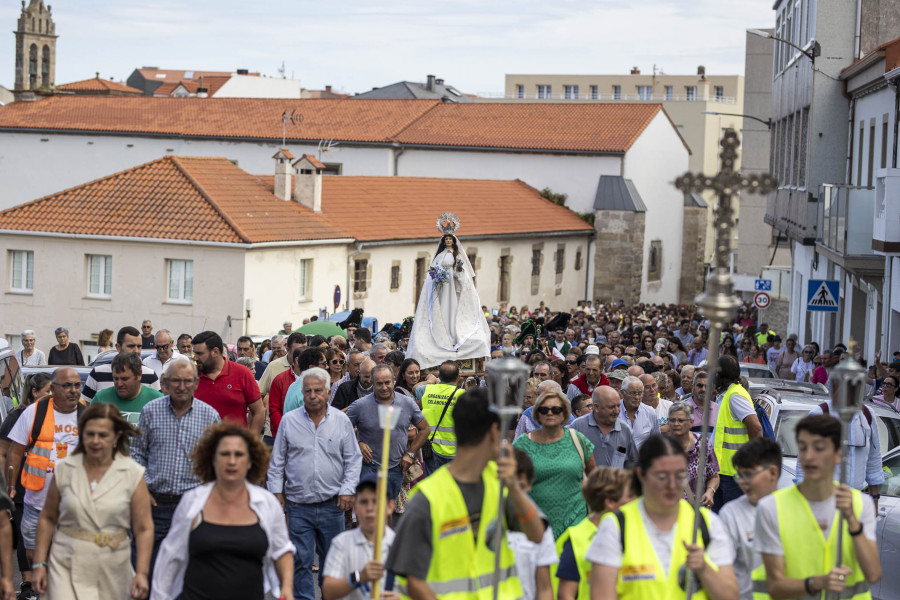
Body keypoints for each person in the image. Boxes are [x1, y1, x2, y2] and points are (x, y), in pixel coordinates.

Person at [387, 388, 545, 600]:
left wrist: (515, 489)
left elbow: (537, 535)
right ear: (493, 431)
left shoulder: (501, 482)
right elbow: (413, 582)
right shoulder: (428, 498)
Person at [152, 422, 295, 600]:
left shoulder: (266, 503)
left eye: (239, 454)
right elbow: (169, 558)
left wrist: (287, 589)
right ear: (213, 459)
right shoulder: (193, 501)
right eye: (225, 454)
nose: (232, 461)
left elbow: (282, 551)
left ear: (250, 461)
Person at [586, 434, 739, 600]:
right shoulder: (614, 527)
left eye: (680, 475)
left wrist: (704, 568)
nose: (672, 485)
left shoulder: (707, 524)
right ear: (641, 475)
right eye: (662, 476)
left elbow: (730, 595)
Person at [31, 403, 153, 600]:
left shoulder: (132, 473)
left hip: (113, 567)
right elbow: (47, 517)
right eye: (90, 434)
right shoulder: (65, 469)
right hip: (66, 563)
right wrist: (39, 563)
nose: (95, 441)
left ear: (116, 437)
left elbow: (144, 527)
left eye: (103, 435)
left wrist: (141, 572)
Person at [755, 415, 881, 599]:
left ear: (839, 454)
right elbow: (774, 586)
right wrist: (817, 583)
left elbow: (873, 574)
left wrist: (853, 522)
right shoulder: (772, 507)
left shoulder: (861, 504)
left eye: (819, 448)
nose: (808, 456)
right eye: (803, 448)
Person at [267, 367, 361, 600]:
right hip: (299, 506)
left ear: (328, 392)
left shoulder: (341, 421)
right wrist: (276, 493)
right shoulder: (289, 422)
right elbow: (277, 461)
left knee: (332, 563)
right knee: (300, 561)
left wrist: (348, 490)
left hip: (333, 506)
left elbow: (353, 459)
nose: (312, 395)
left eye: (318, 390)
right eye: (307, 390)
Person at [131, 361, 221, 580]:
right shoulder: (151, 411)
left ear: (196, 383)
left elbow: (217, 463)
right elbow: (136, 454)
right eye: (176, 381)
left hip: (193, 507)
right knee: (147, 572)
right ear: (166, 383)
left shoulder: (210, 416)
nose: (182, 386)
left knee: (191, 575)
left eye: (187, 381)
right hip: (155, 505)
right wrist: (143, 491)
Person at [6, 368, 83, 585]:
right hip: (35, 504)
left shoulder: (87, 414)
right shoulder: (34, 412)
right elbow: (14, 451)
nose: (74, 390)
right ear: (53, 389)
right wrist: (10, 486)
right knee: (33, 557)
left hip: (74, 506)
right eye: (67, 386)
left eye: (77, 385)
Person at [406, 225, 491, 370]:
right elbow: (431, 274)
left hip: (453, 291)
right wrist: (436, 278)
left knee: (453, 312)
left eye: (450, 239)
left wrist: (458, 272)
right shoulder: (439, 256)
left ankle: (453, 337)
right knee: (442, 312)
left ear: (454, 241)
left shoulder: (457, 257)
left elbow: (463, 277)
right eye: (446, 239)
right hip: (441, 291)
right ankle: (443, 336)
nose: (448, 241)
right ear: (443, 241)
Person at [514, 391, 596, 539]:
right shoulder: (522, 444)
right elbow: (512, 485)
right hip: (536, 527)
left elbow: (594, 479)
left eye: (556, 409)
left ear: (564, 413)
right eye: (544, 409)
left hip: (576, 527)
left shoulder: (578, 439)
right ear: (537, 414)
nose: (549, 413)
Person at [0, 373, 50, 600]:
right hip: (21, 488)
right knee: (24, 535)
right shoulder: (17, 416)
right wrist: (6, 484)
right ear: (34, 392)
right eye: (48, 390)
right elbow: (3, 452)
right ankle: (27, 582)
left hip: (50, 489)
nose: (51, 395)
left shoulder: (57, 416)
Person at [347, 364, 428, 502]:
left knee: (388, 508)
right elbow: (342, 430)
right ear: (372, 383)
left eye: (387, 382)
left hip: (396, 468)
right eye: (379, 384)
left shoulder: (407, 403)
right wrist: (358, 444)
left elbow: (425, 429)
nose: (384, 387)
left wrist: (411, 453)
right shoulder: (359, 406)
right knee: (371, 508)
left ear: (394, 380)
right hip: (368, 467)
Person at [556, 467, 633, 600]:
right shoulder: (577, 539)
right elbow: (565, 594)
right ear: (610, 502)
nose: (636, 500)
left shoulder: (630, 530)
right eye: (630, 496)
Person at [719, 438, 781, 600]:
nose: (742, 483)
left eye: (748, 474)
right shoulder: (731, 514)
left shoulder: (794, 510)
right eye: (739, 475)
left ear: (773, 473)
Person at [322, 473, 399, 600]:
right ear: (355, 507)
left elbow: (417, 589)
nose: (370, 508)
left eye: (376, 501)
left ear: (390, 507)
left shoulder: (400, 545)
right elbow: (328, 591)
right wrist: (359, 577)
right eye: (364, 502)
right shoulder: (342, 543)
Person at [794, 395, 884, 496]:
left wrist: (875, 497)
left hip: (857, 498)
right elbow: (805, 460)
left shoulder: (867, 414)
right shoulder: (820, 413)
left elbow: (874, 461)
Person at [506, 448, 559, 600]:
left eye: (520, 487)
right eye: (508, 486)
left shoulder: (540, 524)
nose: (513, 494)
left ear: (530, 485)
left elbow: (544, 587)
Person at [713, 356, 763, 511]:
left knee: (731, 525)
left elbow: (756, 428)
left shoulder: (735, 396)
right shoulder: (728, 394)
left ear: (719, 374)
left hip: (734, 475)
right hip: (724, 472)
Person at [192, 331, 264, 435]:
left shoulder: (242, 373)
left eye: (199, 353)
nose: (195, 358)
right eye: (194, 354)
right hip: (200, 448)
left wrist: (250, 443)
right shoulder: (191, 376)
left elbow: (259, 411)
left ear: (215, 352)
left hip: (234, 448)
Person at [82, 326, 161, 401]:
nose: (136, 351)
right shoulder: (98, 373)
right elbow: (85, 405)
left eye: (139, 346)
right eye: (131, 346)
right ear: (118, 347)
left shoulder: (150, 375)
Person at [571, 386, 638, 468]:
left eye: (618, 406)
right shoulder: (578, 427)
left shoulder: (625, 429)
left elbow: (634, 462)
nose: (617, 411)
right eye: (611, 407)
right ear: (596, 407)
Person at [668, 402, 718, 508]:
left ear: (691, 422)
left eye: (680, 420)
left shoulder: (703, 444)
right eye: (672, 420)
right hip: (669, 510)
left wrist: (710, 492)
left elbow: (714, 476)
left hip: (696, 510)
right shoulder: (662, 447)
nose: (676, 424)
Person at [92, 352, 163, 424]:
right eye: (116, 379)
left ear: (139, 375)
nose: (119, 384)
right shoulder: (100, 399)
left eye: (124, 379)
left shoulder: (158, 401)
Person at [419, 361, 463, 474]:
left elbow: (415, 388)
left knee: (433, 487)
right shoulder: (463, 395)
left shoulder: (427, 390)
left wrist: (430, 380)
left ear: (439, 376)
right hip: (456, 451)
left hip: (433, 448)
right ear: (458, 377)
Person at [619, 376, 660, 449]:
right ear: (622, 392)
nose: (637, 397)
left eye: (640, 393)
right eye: (632, 393)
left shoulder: (650, 413)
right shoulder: (614, 412)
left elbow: (657, 442)